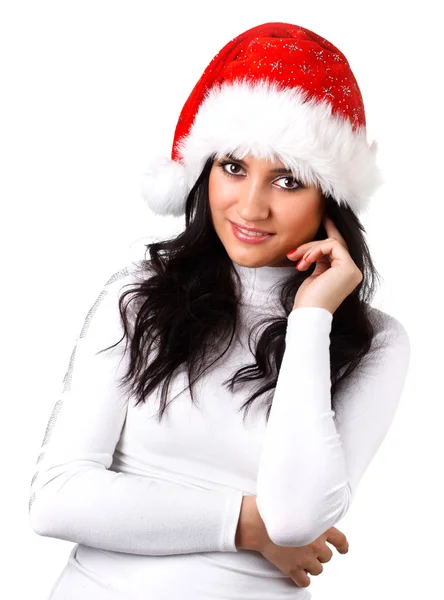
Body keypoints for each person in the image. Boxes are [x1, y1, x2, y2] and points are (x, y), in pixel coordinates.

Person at [29, 22, 411, 599]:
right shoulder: (140, 293)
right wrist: (246, 526)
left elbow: (296, 519)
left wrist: (311, 319)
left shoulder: (372, 342)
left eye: (287, 178)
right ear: (203, 169)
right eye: (232, 167)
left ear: (330, 196)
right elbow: (56, 499)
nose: (250, 205)